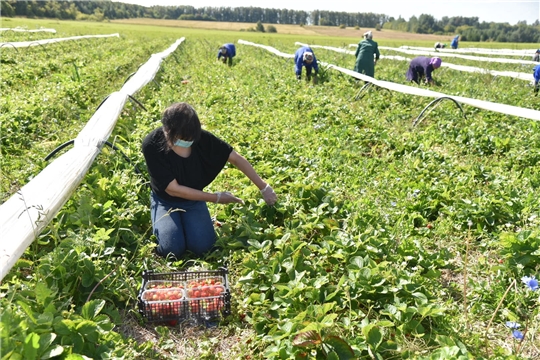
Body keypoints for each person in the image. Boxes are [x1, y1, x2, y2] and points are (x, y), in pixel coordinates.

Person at [142, 102, 277, 259]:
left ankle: (189, 221)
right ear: (166, 131)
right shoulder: (152, 144)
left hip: (193, 200)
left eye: (188, 139)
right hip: (166, 200)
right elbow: (173, 189)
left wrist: (263, 187)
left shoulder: (201, 139)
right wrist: (216, 198)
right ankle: (161, 214)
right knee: (171, 250)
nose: (184, 142)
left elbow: (235, 158)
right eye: (179, 139)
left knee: (203, 247)